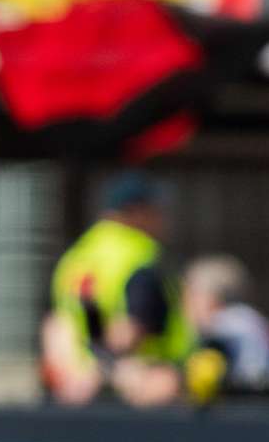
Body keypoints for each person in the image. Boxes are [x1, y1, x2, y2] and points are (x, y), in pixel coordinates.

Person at [42, 170, 189, 407]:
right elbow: (130, 330)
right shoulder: (140, 254)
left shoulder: (77, 257)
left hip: (77, 390)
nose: (163, 219)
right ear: (136, 212)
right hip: (138, 389)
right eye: (157, 211)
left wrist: (74, 374)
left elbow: (58, 324)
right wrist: (105, 369)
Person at [181, 254, 269, 400]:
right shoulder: (251, 321)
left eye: (190, 296)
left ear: (209, 298)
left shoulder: (222, 329)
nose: (185, 307)